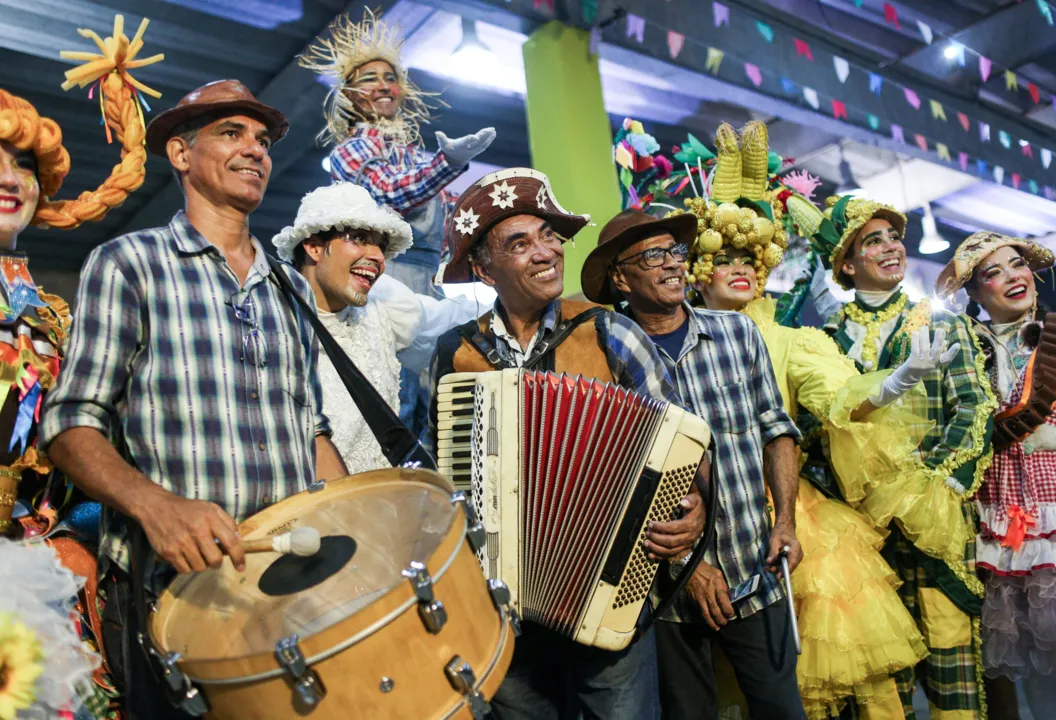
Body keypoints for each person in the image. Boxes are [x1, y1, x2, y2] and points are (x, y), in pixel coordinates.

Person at [590, 121, 943, 720]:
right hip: (666, 588)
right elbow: (615, 470)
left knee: (785, 707)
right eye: (655, 256)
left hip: (758, 562)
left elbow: (780, 428)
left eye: (676, 251)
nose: (674, 264)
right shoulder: (607, 352)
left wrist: (785, 520)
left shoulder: (741, 333)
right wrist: (689, 564)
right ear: (621, 279)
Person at [39, 79, 348, 719]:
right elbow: (70, 424)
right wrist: (157, 507)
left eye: (261, 140)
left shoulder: (292, 288)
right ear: (180, 155)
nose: (255, 150)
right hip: (175, 594)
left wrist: (354, 531)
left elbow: (310, 429)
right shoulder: (130, 263)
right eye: (231, 134)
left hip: (289, 590)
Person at [428, 167, 705, 719]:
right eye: (520, 243)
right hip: (499, 598)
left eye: (550, 236)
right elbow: (438, 475)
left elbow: (683, 440)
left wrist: (694, 507)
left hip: (610, 585)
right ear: (484, 269)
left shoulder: (609, 330)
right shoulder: (455, 354)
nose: (546, 252)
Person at [1, 14, 162, 718]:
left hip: (43, 575)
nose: (10, 179)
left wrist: (72, 537)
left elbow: (85, 452)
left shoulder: (59, 319)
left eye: (23, 165)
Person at [804, 194, 996, 719]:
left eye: (894, 237)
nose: (892, 247)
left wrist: (941, 480)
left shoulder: (938, 322)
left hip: (932, 513)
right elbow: (820, 428)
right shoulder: (824, 340)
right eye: (874, 240)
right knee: (884, 666)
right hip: (862, 528)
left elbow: (974, 405)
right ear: (846, 263)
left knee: (948, 645)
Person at [299, 8, 496, 436]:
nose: (384, 85)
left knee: (439, 401)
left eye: (390, 77)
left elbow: (446, 216)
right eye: (370, 78)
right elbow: (390, 193)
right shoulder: (350, 150)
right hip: (387, 281)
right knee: (400, 397)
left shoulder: (411, 155)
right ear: (349, 93)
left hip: (430, 281)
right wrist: (448, 164)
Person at [936, 232, 1056, 719]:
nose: (1012, 277)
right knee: (1005, 668)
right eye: (991, 273)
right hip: (993, 520)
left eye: (1016, 265)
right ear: (974, 294)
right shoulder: (961, 353)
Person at [271, 181, 486, 473]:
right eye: (359, 238)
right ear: (314, 246)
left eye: (381, 246)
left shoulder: (384, 308)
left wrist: (522, 297)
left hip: (382, 510)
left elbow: (449, 319)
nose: (378, 257)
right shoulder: (269, 321)